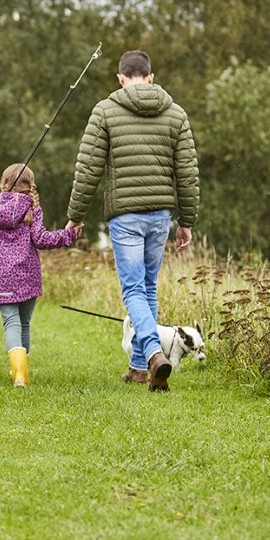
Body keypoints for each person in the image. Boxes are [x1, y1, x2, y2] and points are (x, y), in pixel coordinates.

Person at [66, 49, 199, 392]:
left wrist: (75, 216)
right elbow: (187, 173)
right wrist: (186, 221)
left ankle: (153, 354)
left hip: (125, 216)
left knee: (134, 289)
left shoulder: (105, 111)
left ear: (121, 78)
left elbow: (88, 169)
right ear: (150, 77)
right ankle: (140, 368)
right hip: (159, 216)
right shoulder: (176, 113)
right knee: (148, 287)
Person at [0, 164, 80, 387]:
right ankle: (21, 373)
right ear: (29, 185)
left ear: (3, 184)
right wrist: (68, 234)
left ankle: (19, 374)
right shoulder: (32, 209)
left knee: (11, 323)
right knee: (24, 323)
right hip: (28, 274)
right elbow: (42, 239)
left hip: (2, 278)